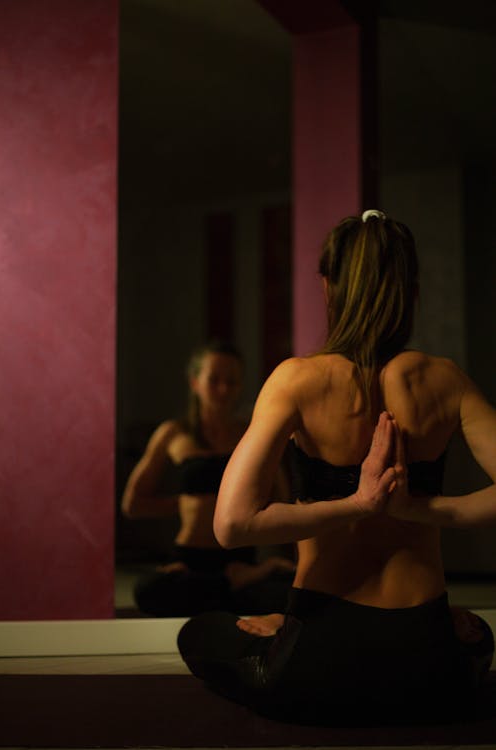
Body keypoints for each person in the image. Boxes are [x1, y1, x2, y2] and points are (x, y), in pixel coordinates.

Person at [177, 211, 495, 724]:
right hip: (427, 664)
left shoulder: (296, 381)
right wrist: (416, 509)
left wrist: (356, 504)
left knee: (200, 632)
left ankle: (289, 630)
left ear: (329, 287)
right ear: (411, 289)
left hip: (317, 660)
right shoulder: (444, 380)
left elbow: (231, 524)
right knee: (479, 635)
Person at [122, 339, 294, 617]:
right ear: (195, 382)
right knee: (148, 589)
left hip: (239, 558)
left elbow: (280, 498)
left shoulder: (251, 433)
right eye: (214, 380)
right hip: (190, 561)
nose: (224, 389)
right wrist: (185, 504)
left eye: (232, 381)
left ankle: (234, 583)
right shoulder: (173, 434)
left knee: (286, 590)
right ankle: (229, 585)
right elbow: (133, 503)